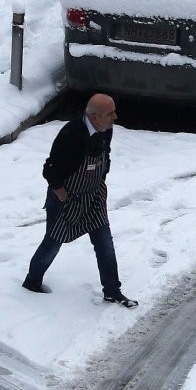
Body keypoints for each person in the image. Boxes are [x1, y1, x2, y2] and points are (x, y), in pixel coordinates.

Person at [23, 92, 136, 307]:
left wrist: (101, 177)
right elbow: (50, 170)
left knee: (104, 243)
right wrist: (62, 194)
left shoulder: (106, 129)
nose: (115, 117)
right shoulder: (71, 135)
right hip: (66, 198)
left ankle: (112, 290)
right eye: (110, 113)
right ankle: (32, 283)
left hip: (93, 196)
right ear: (94, 117)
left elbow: (105, 155)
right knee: (53, 242)